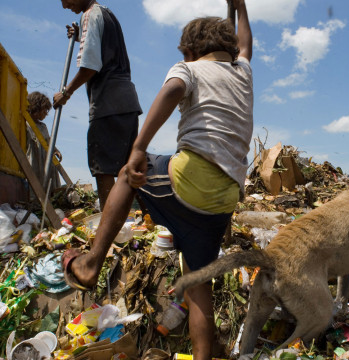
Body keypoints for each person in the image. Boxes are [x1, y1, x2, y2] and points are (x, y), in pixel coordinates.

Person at [62, 0, 253, 358]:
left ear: (191, 50)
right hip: (224, 199)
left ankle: (89, 264)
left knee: (126, 175)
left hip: (191, 179)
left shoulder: (189, 69)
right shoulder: (242, 71)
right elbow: (244, 44)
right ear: (227, 50)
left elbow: (170, 91)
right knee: (199, 285)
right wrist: (240, 7)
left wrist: (138, 147)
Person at [53, 0, 141, 211]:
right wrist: (79, 36)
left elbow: (90, 66)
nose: (65, 6)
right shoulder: (105, 14)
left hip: (108, 103)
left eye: (65, 0)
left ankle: (108, 234)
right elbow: (103, 50)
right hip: (127, 102)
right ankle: (151, 225)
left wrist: (66, 92)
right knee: (131, 169)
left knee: (103, 170)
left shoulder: (91, 15)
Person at [26, 91, 62, 194]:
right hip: (33, 159)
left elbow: (49, 141)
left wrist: (55, 150)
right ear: (36, 108)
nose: (46, 113)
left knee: (49, 185)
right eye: (44, 110)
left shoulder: (43, 126)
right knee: (34, 183)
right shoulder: (26, 123)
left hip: (46, 160)